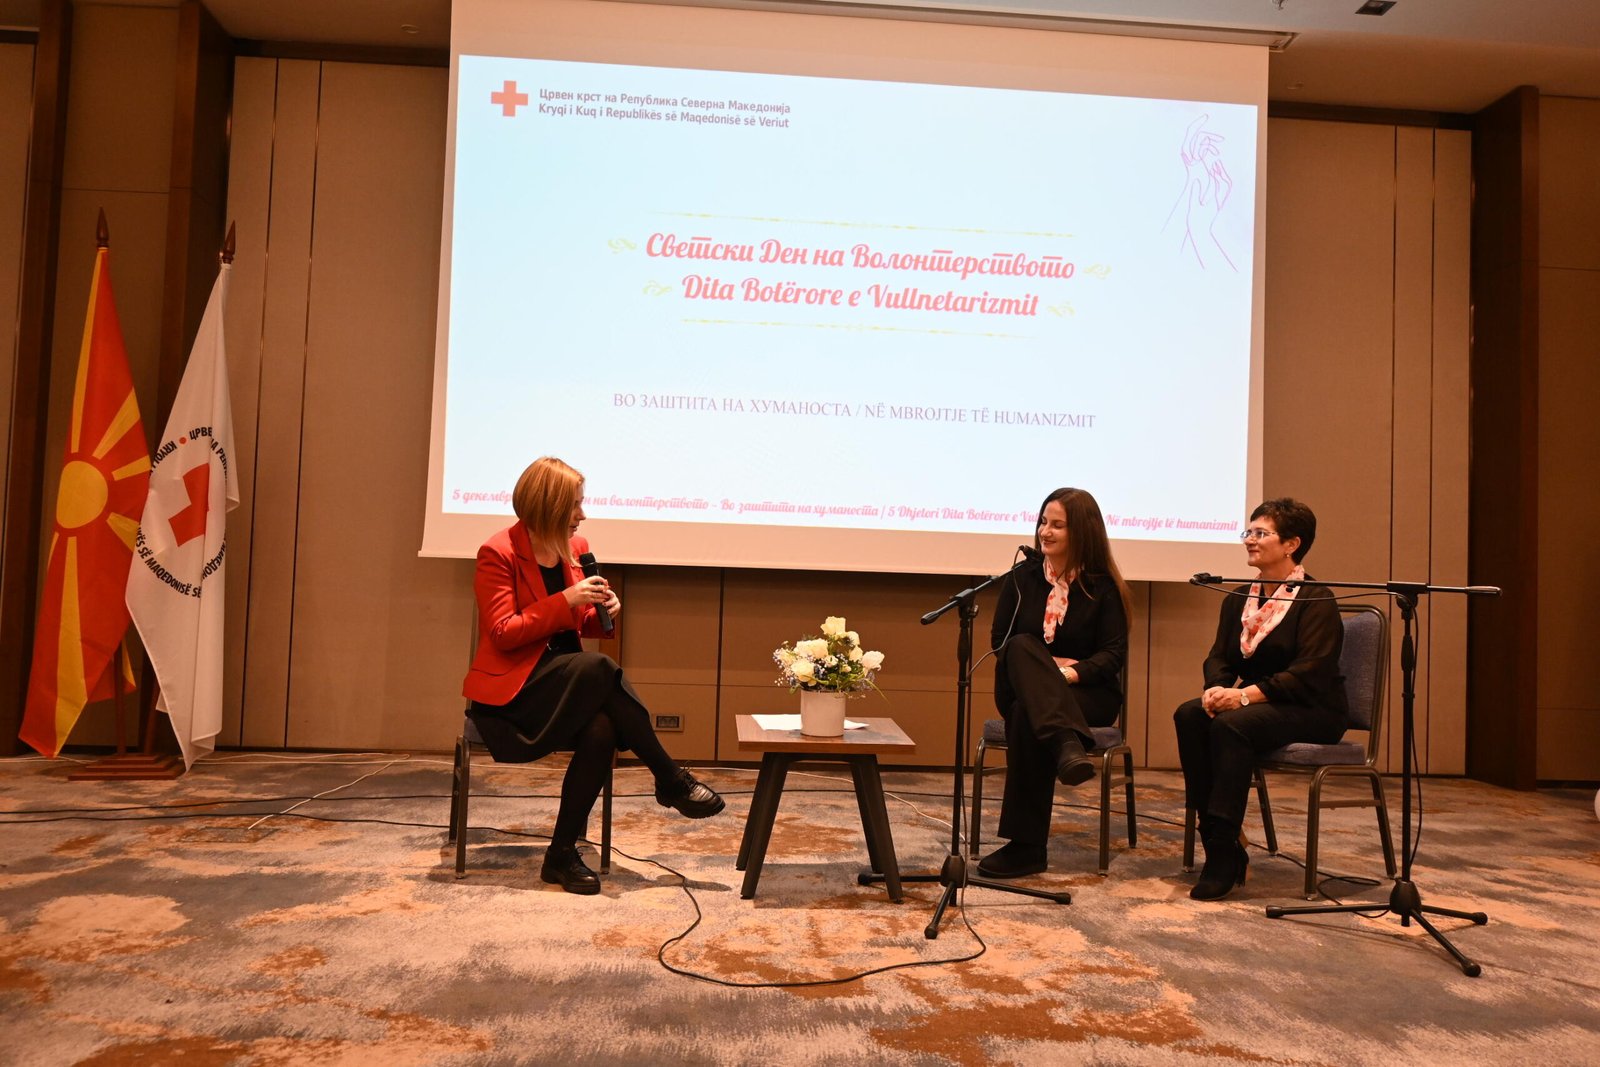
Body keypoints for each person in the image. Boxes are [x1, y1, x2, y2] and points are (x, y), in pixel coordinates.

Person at [462, 457, 724, 895]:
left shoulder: (576, 546)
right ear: (549, 505)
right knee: (600, 667)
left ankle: (560, 855)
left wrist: (602, 613)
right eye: (574, 505)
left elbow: (576, 625)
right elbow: (503, 633)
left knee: (602, 727)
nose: (582, 515)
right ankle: (669, 779)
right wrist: (566, 599)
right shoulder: (498, 552)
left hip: (565, 685)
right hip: (514, 697)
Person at [1174, 498, 1348, 900]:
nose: (1249, 540)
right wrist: (1217, 688)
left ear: (1291, 544)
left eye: (1261, 533)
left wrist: (1244, 697)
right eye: (1248, 532)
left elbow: (1310, 673)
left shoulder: (1315, 599)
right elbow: (1219, 657)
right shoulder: (1238, 597)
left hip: (1312, 708)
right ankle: (1218, 836)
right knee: (1190, 715)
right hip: (1259, 702)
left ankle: (1222, 851)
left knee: (1233, 726)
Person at [977, 487, 1132, 879]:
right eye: (1043, 522)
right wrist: (1045, 670)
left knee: (1026, 714)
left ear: (1082, 532)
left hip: (1088, 695)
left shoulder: (1103, 587)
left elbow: (1112, 655)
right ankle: (1065, 744)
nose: (1045, 531)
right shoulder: (1021, 578)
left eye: (1057, 525)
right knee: (1021, 645)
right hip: (1024, 686)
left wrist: (1066, 674)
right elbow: (1000, 643)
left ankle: (1027, 848)